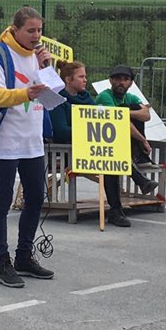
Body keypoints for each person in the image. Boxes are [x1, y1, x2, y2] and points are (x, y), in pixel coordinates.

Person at [0, 6, 55, 287]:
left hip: (32, 140)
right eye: (31, 30)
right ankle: (2, 262)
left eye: (40, 30)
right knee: (1, 201)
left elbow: (52, 94)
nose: (37, 36)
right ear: (16, 29)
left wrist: (47, 68)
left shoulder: (39, 57)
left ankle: (24, 256)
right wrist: (26, 92)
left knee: (35, 198)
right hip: (6, 140)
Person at [50, 61, 132, 227]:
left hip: (90, 146)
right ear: (68, 79)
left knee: (110, 157)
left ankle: (116, 211)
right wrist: (85, 131)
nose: (85, 80)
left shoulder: (86, 97)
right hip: (68, 150)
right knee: (108, 159)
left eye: (85, 76)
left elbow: (98, 121)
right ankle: (128, 195)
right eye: (81, 77)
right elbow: (60, 130)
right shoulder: (58, 99)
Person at [95, 64, 160, 213]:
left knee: (132, 109)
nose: (122, 82)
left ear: (131, 83)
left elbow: (146, 115)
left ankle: (138, 162)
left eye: (126, 79)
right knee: (126, 117)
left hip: (121, 145)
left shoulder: (130, 97)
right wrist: (143, 140)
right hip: (104, 146)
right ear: (110, 81)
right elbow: (119, 122)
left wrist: (125, 112)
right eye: (117, 79)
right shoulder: (105, 96)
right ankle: (140, 179)